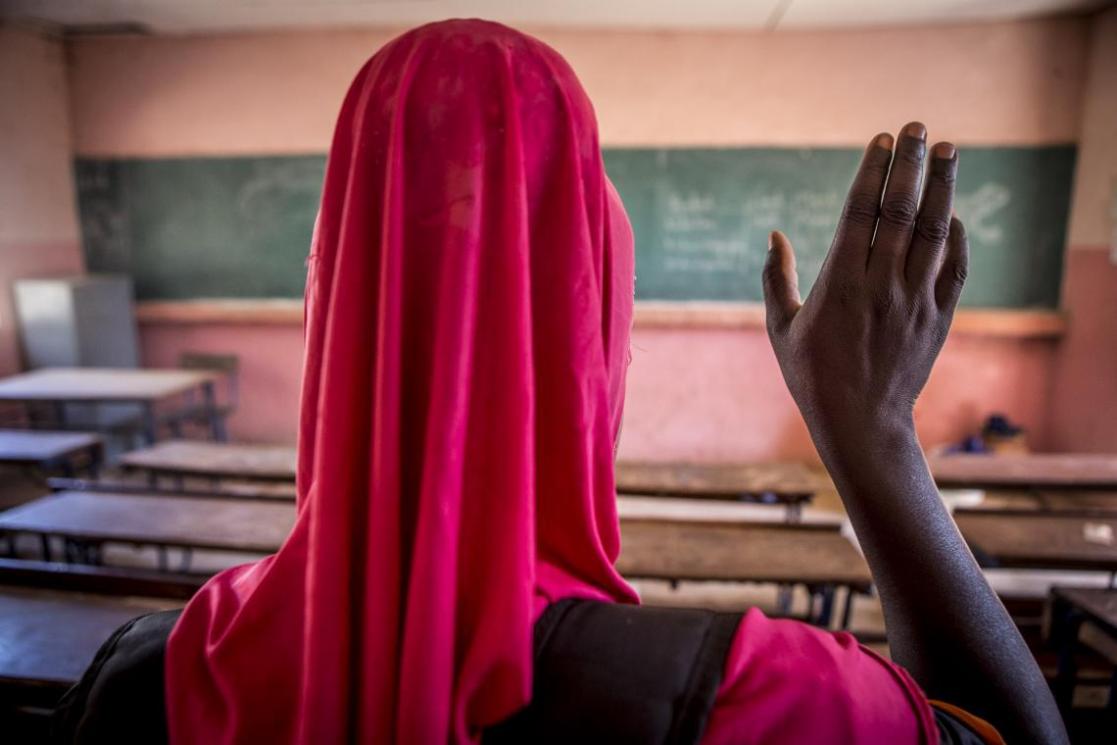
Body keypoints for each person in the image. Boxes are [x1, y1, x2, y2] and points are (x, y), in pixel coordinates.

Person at [54, 19, 1068, 745]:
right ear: (590, 355)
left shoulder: (149, 676)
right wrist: (871, 435)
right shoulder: (773, 700)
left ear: (336, 315)